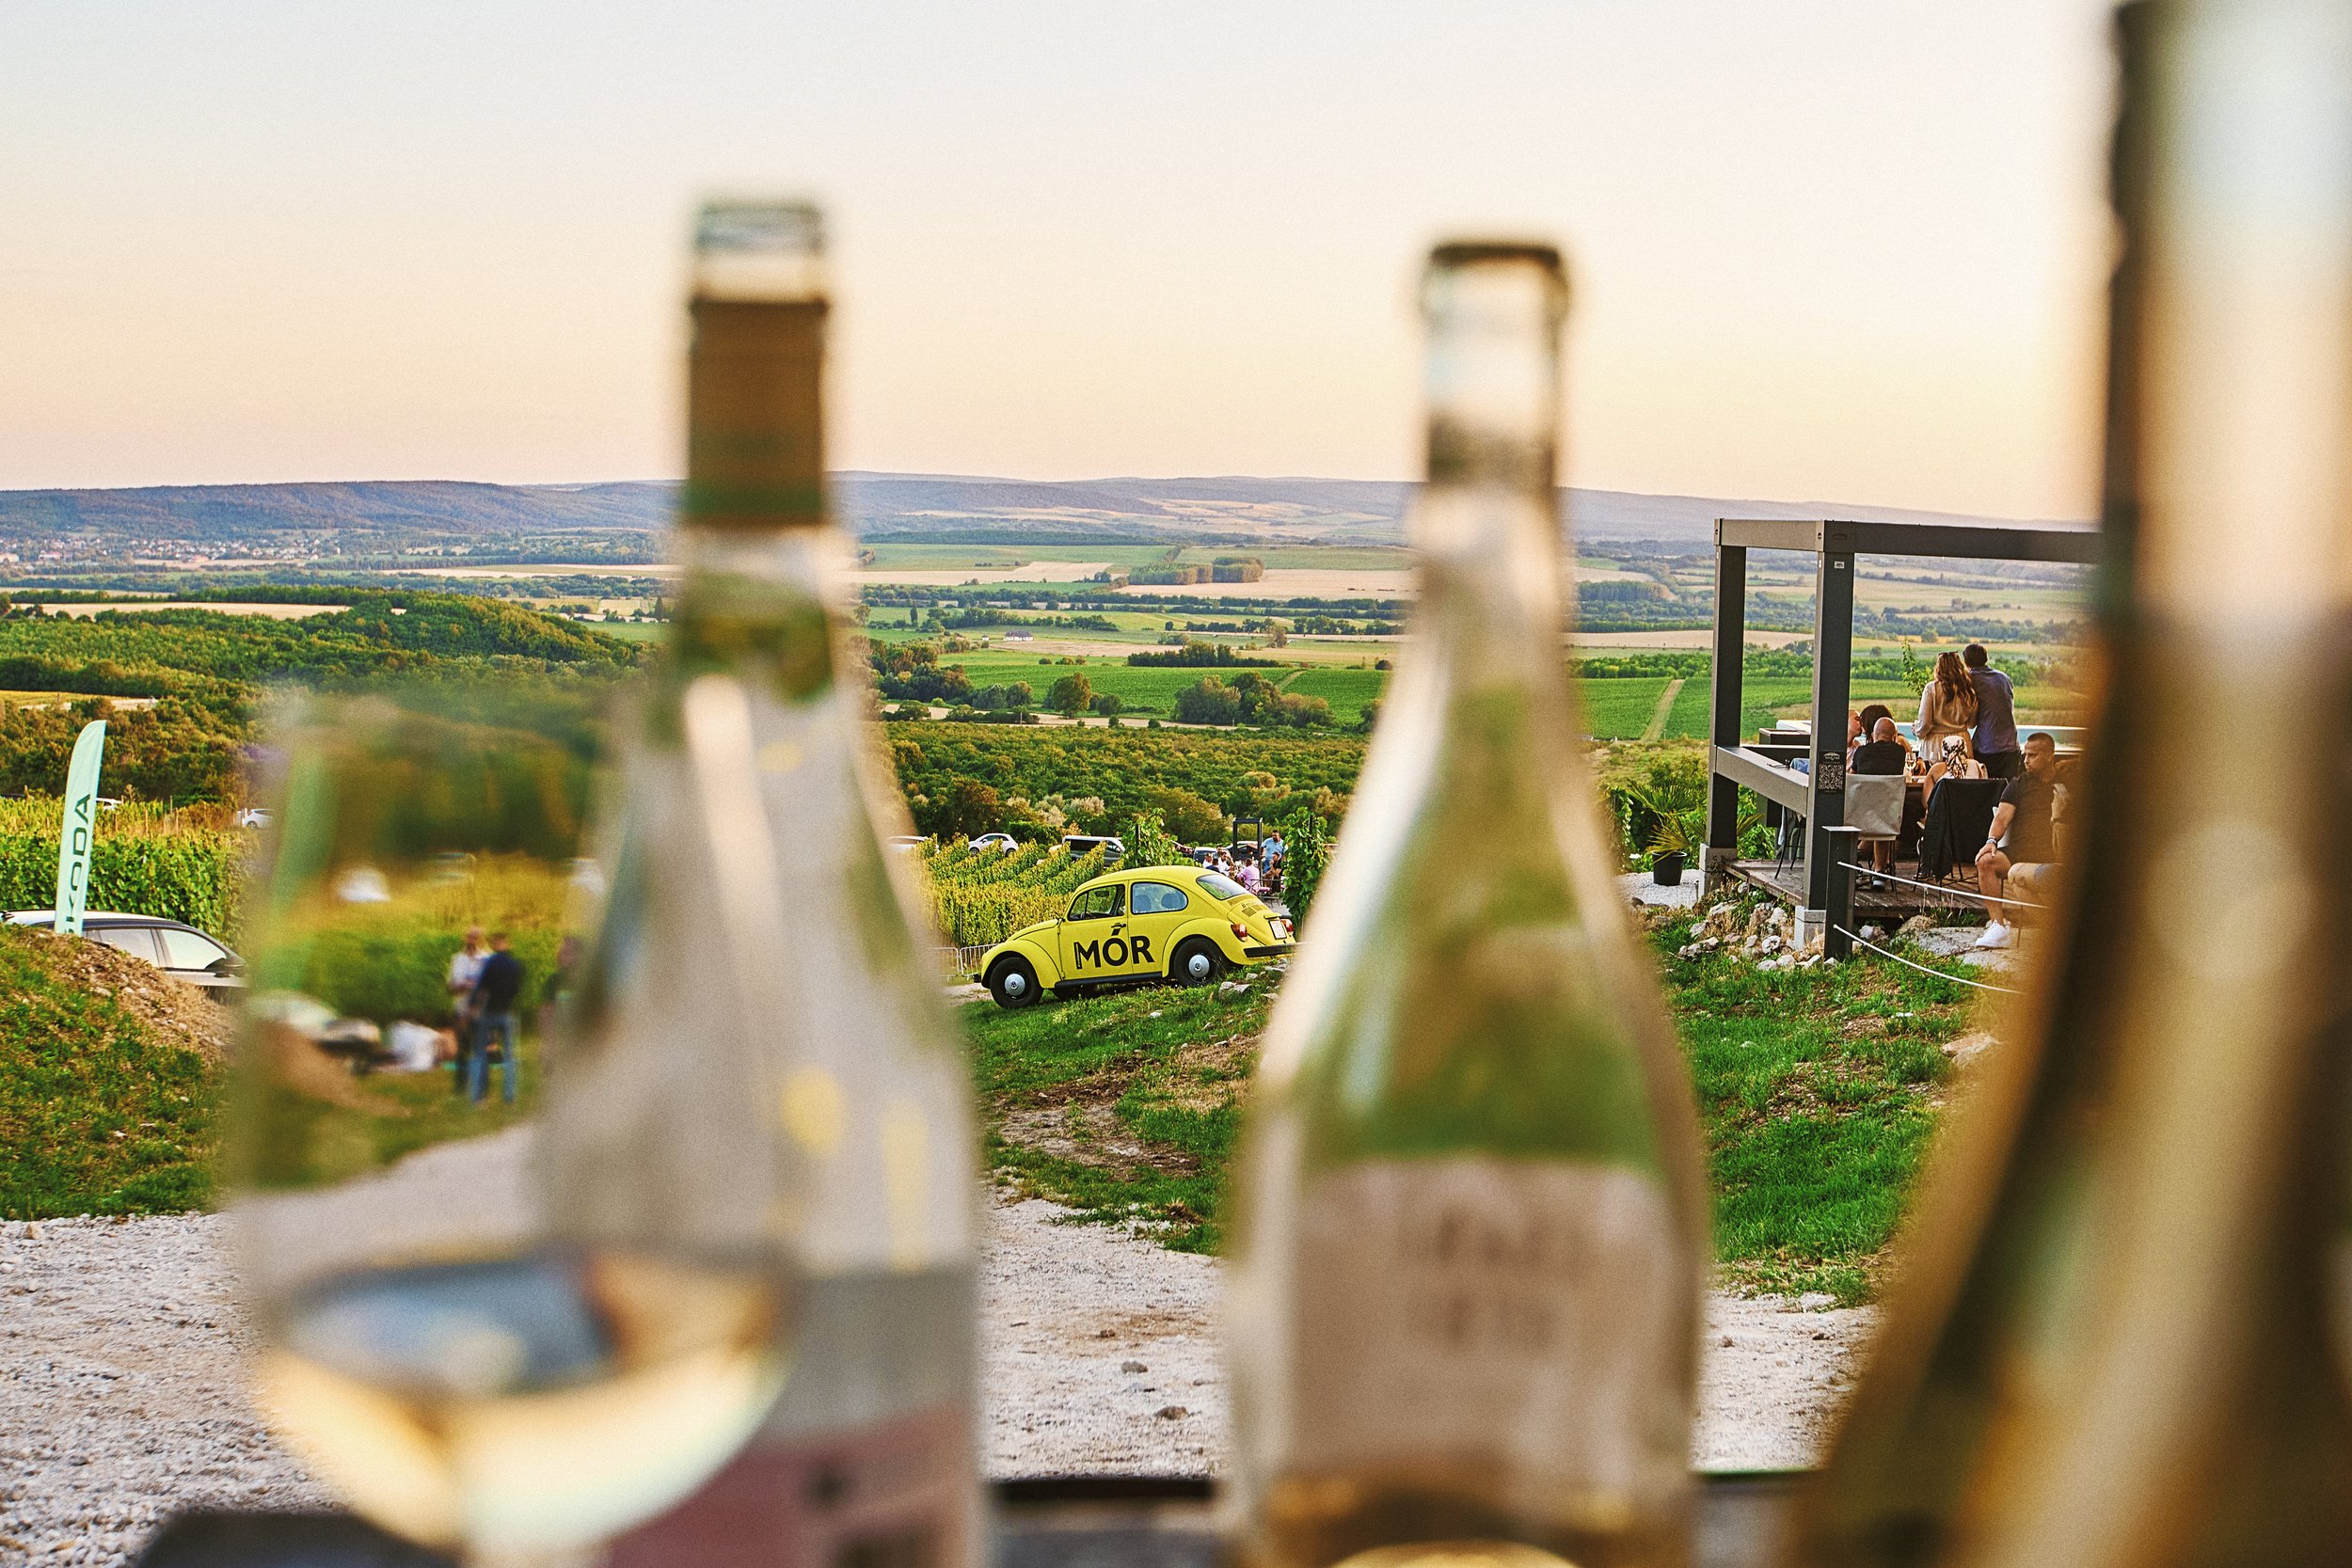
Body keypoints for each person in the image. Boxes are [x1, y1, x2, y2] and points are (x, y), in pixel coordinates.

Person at [1974, 732, 2062, 950]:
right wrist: (1992, 840)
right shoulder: (2019, 783)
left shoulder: (2068, 781)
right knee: (1985, 861)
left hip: (2059, 853)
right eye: (2025, 755)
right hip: (2022, 853)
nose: (2026, 760)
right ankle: (1998, 925)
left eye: (2033, 755)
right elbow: (2002, 816)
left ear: (2050, 756)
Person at [468, 931, 526, 1105]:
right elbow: (517, 990)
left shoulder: (490, 963)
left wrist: (473, 1007)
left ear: (494, 944)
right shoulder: (516, 965)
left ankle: (478, 1097)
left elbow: (481, 988)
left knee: (480, 1054)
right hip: (507, 1013)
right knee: (510, 1056)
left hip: (489, 1012)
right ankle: (510, 1096)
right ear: (508, 944)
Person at [1964, 643, 2023, 780]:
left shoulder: (1970, 680)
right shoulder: (2003, 678)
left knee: (1986, 791)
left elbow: (1970, 720)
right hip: (2012, 746)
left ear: (1966, 661)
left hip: (1988, 747)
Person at [446, 927, 488, 1096]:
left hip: (479, 1010)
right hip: (460, 1009)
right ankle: (460, 1086)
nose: (472, 940)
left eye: (476, 937)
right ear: (465, 938)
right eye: (470, 937)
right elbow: (450, 985)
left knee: (480, 1048)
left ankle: (481, 1086)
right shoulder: (457, 959)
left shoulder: (487, 959)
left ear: (481, 939)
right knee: (462, 1050)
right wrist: (458, 986)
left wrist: (476, 987)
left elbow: (491, 986)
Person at [1916, 651, 1980, 754]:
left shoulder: (1932, 689)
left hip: (1936, 745)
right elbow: (1971, 724)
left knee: (1935, 770)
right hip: (1962, 743)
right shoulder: (1969, 691)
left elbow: (1925, 724)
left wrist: (1917, 731)